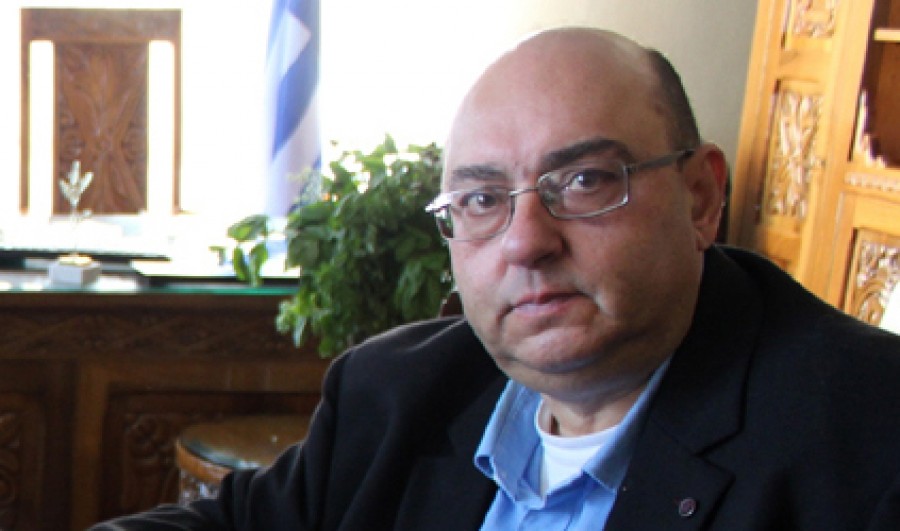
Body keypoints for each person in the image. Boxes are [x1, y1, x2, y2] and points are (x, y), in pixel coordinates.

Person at [93, 27, 900, 530]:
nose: (526, 241)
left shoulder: (869, 440)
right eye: (482, 199)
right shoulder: (395, 393)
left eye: (583, 181)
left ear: (700, 198)